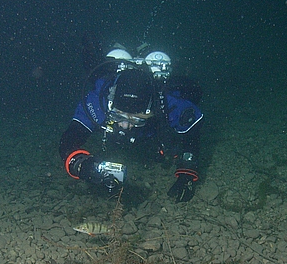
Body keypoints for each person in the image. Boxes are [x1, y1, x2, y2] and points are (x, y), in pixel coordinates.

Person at [59, 45, 204, 202]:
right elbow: (69, 139)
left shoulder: (168, 103)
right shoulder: (99, 100)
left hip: (152, 131)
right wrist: (81, 164)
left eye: (136, 119)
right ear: (110, 104)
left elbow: (192, 131)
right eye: (118, 115)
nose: (125, 125)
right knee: (91, 64)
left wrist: (187, 171)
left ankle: (144, 49)